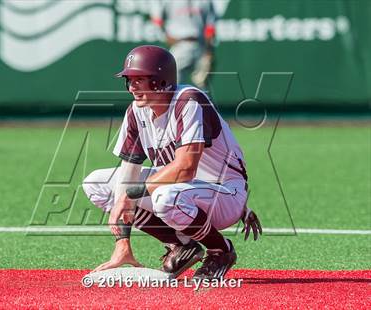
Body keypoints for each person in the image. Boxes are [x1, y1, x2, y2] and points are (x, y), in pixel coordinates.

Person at [82, 45, 261, 280]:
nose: (132, 85)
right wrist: (122, 244)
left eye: (140, 79)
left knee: (165, 198)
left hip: (225, 192)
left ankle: (221, 251)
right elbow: (128, 174)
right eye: (129, 79)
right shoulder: (136, 112)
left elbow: (186, 168)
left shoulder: (190, 101)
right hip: (185, 190)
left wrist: (131, 194)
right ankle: (182, 246)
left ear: (160, 81)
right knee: (96, 183)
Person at [150, 0, 216, 89]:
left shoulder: (206, 1)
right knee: (173, 86)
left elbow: (210, 27)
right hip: (179, 45)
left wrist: (208, 51)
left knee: (202, 89)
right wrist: (164, 36)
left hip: (200, 45)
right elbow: (156, 19)